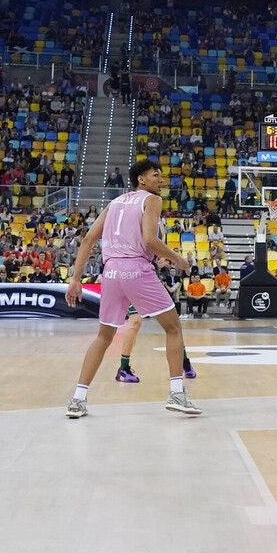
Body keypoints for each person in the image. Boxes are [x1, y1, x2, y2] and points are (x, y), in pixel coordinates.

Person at [64, 160, 201, 418]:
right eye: (156, 175)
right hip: (135, 270)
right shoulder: (151, 200)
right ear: (142, 179)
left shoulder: (114, 203)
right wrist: (178, 260)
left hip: (111, 272)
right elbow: (150, 240)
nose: (161, 180)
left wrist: (76, 279)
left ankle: (77, 400)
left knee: (103, 337)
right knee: (173, 328)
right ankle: (177, 393)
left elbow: (88, 240)